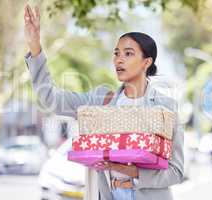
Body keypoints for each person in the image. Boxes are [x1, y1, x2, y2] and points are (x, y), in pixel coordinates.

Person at [24, 4, 184, 200]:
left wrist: (134, 173)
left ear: (146, 62)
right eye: (116, 53)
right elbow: (50, 99)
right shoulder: (101, 101)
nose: (119, 60)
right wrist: (35, 48)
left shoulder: (165, 107)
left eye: (128, 53)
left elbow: (176, 171)